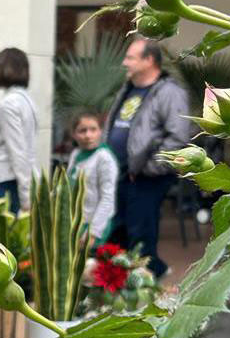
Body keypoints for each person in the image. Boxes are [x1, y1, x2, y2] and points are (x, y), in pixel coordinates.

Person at [104, 36, 190, 278]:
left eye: (130, 57)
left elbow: (178, 138)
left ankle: (149, 285)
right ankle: (123, 288)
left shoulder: (170, 93)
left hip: (145, 178)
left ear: (149, 60)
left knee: (140, 238)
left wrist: (146, 168)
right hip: (120, 173)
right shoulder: (129, 88)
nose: (124, 62)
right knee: (118, 234)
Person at [0, 47, 37, 213]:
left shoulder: (8, 104)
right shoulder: (26, 100)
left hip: (8, 181)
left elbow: (17, 151)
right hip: (19, 179)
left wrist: (25, 196)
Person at [67, 111, 118, 246]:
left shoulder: (104, 158)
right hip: (75, 223)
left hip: (93, 225)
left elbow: (107, 199)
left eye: (93, 130)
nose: (88, 135)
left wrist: (93, 232)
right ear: (73, 134)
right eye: (82, 131)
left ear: (100, 131)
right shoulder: (76, 154)